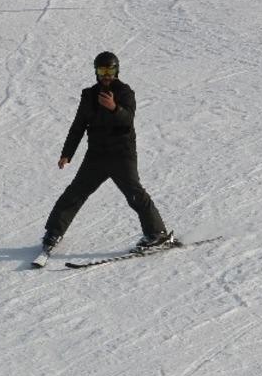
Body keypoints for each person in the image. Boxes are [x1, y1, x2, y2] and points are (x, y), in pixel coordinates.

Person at [41, 51, 172, 252]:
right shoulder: (89, 95)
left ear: (117, 70)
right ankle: (53, 232)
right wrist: (67, 153)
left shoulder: (125, 92)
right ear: (96, 72)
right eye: (102, 70)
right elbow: (78, 126)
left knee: (134, 194)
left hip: (122, 154)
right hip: (96, 155)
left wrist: (113, 108)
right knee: (75, 193)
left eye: (110, 70)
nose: (106, 75)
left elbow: (128, 118)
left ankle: (158, 234)